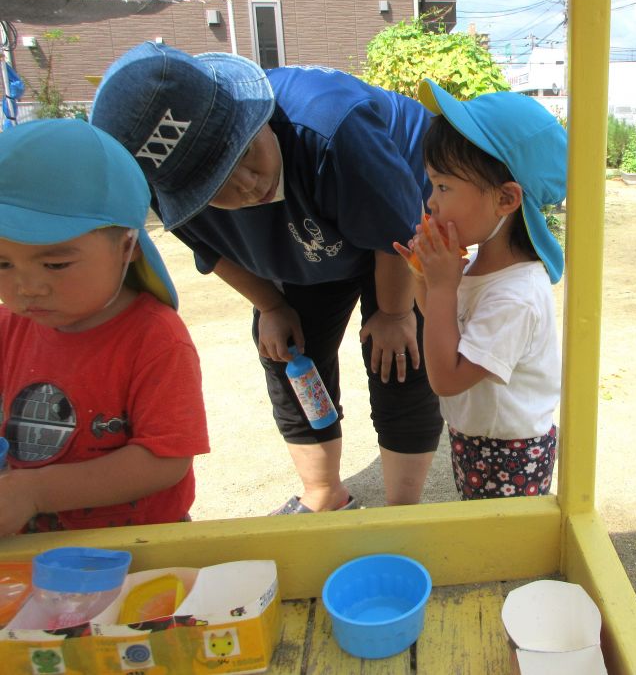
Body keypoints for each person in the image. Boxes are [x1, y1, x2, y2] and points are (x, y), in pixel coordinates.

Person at [90, 42, 443, 514]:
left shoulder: (332, 123)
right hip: (315, 233)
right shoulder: (160, 183)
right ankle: (324, 494)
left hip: (396, 223)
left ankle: (404, 509)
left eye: (246, 152)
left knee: (399, 355)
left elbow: (399, 232)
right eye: (214, 186)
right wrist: (272, 307)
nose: (247, 184)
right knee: (286, 354)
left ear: (254, 116)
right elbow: (212, 250)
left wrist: (396, 312)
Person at [0, 119, 210, 534]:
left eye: (55, 263)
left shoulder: (155, 338)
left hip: (137, 551)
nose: (28, 287)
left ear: (127, 246)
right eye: (2, 263)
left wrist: (35, 493)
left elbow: (165, 459)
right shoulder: (9, 326)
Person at [394, 80, 566, 499]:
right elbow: (443, 324)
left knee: (502, 551)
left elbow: (446, 378)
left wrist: (441, 285)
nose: (430, 201)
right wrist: (425, 279)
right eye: (432, 185)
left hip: (511, 452)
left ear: (506, 199)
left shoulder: (516, 296)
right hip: (475, 437)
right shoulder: (473, 269)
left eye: (444, 187)